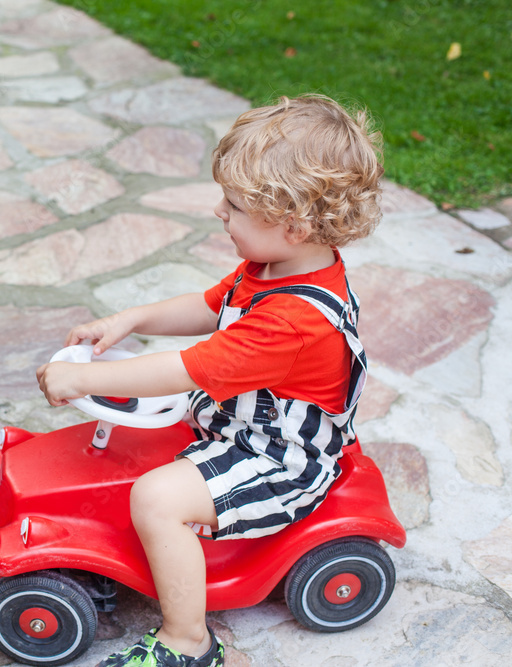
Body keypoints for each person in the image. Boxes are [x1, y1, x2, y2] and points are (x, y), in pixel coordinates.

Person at [36, 94, 383, 667]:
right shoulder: (274, 265)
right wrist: (131, 320)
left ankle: (188, 641)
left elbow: (186, 367)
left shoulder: (292, 321)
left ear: (293, 225)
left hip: (276, 459)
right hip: (237, 424)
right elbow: (208, 306)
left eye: (235, 205)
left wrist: (82, 378)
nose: (219, 210)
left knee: (156, 498)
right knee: (137, 447)